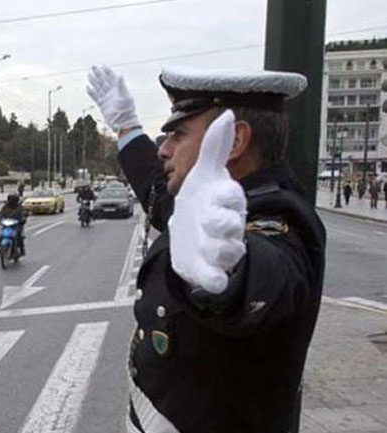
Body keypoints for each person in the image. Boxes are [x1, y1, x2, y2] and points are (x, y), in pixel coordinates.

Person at [87, 65, 326, 433]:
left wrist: (228, 272)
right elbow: (156, 193)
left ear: (232, 142)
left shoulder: (275, 218)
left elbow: (271, 276)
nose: (163, 149)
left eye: (178, 134)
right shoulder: (194, 205)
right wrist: (125, 126)